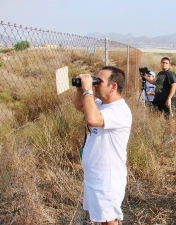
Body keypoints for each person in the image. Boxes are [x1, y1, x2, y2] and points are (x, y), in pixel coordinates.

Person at [74, 66, 132, 225]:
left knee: (108, 221)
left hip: (108, 179)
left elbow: (92, 119)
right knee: (102, 219)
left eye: (99, 81)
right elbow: (80, 106)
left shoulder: (121, 111)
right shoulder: (100, 103)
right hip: (95, 175)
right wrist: (81, 89)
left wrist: (88, 91)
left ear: (113, 86)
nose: (95, 84)